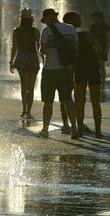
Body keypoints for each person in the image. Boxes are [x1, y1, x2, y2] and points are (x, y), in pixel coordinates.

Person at [39, 9, 79, 139]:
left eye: (45, 20)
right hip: (66, 70)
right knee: (68, 99)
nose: (45, 23)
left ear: (49, 17)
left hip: (50, 70)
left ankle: (45, 129)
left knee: (48, 102)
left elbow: (43, 50)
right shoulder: (71, 28)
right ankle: (74, 128)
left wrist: (49, 47)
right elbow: (76, 49)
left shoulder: (46, 31)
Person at [63, 12, 103, 138]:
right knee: (95, 102)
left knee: (80, 102)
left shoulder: (67, 38)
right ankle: (98, 132)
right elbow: (100, 49)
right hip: (93, 70)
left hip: (79, 70)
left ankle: (79, 130)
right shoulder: (87, 35)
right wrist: (93, 55)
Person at [9, 8, 41, 119]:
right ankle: (29, 111)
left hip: (22, 59)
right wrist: (44, 59)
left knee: (24, 86)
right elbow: (39, 47)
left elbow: (15, 47)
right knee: (31, 87)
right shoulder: (35, 31)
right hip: (33, 59)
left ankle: (23, 110)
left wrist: (11, 61)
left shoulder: (16, 31)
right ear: (31, 19)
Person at [90, 11, 110, 88]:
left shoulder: (106, 26)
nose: (93, 18)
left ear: (99, 17)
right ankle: (97, 81)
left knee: (101, 65)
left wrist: (106, 50)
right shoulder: (92, 26)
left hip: (102, 47)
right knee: (95, 66)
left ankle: (103, 82)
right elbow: (91, 38)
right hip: (94, 48)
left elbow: (108, 39)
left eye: (94, 17)